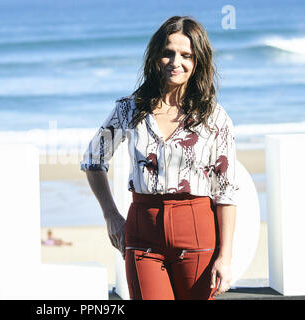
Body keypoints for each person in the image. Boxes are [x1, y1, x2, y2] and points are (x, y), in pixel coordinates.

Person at [80, 16, 239, 300]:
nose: (175, 62)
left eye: (186, 55)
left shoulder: (214, 118)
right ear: (156, 56)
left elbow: (226, 191)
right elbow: (93, 159)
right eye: (168, 53)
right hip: (142, 232)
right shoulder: (129, 109)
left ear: (198, 61)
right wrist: (111, 216)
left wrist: (225, 258)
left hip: (197, 232)